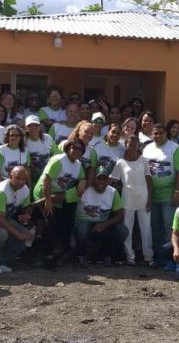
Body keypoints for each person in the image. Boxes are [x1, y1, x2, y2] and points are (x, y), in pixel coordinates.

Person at [33, 139, 87, 268]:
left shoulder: (78, 164)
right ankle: (46, 256)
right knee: (50, 223)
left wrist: (82, 182)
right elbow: (46, 180)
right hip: (44, 193)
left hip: (58, 196)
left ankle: (63, 251)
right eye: (74, 147)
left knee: (64, 223)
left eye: (80, 149)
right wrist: (48, 201)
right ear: (68, 148)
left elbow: (82, 177)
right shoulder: (58, 160)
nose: (77, 151)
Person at [142, 123, 179, 265]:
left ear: (166, 134)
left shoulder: (175, 148)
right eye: (155, 133)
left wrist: (178, 191)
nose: (158, 136)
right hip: (151, 195)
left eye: (161, 133)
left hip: (169, 194)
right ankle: (159, 256)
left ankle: (171, 258)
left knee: (170, 227)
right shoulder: (147, 149)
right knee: (155, 227)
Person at [111, 134, 154, 265]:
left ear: (138, 146)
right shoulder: (120, 162)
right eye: (130, 144)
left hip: (143, 198)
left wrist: (150, 198)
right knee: (127, 228)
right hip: (127, 199)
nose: (133, 147)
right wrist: (96, 183)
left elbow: (149, 180)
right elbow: (113, 179)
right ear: (126, 145)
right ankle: (130, 256)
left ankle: (149, 257)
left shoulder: (143, 161)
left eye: (135, 145)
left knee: (146, 228)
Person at [75, 167, 128, 266]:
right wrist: (46, 200)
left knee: (122, 231)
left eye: (104, 179)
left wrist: (105, 224)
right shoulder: (84, 189)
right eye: (99, 178)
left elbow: (120, 216)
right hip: (84, 223)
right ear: (93, 179)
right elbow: (65, 197)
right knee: (82, 228)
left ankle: (105, 255)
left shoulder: (112, 192)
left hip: (103, 225)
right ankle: (82, 255)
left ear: (108, 180)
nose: (101, 182)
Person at [23, 115, 58, 188]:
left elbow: (54, 154)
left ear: (39, 127)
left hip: (48, 173)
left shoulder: (48, 138)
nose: (33, 128)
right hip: (31, 175)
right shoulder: (23, 141)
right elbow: (27, 162)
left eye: (35, 125)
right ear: (26, 128)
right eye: (30, 126)